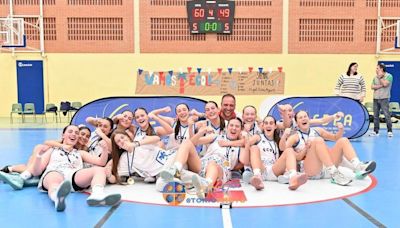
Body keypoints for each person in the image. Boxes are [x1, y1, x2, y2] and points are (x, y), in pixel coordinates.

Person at [1, 125, 121, 211]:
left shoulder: (80, 153)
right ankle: (57, 198)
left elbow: (100, 162)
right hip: (55, 172)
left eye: (76, 132)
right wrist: (38, 157)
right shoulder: (53, 149)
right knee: (53, 178)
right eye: (70, 131)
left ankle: (97, 195)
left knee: (99, 170)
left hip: (73, 176)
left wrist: (105, 149)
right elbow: (37, 170)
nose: (74, 134)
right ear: (63, 135)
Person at [285, 111, 376, 186]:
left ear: (309, 119)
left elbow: (336, 138)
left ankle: (358, 166)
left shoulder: (317, 130)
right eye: (300, 118)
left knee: (343, 140)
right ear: (297, 123)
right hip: (310, 170)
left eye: (305, 116)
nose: (304, 118)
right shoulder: (294, 137)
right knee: (318, 140)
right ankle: (335, 174)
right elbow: (289, 154)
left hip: (325, 168)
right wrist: (305, 148)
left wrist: (341, 130)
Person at [246, 116, 307, 191]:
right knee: (254, 148)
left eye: (271, 123)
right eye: (266, 123)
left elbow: (287, 151)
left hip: (274, 170)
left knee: (289, 150)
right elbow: (246, 144)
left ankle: (293, 178)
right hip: (262, 169)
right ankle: (257, 177)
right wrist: (246, 133)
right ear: (263, 126)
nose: (268, 125)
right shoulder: (258, 137)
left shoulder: (278, 140)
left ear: (275, 126)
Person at [370, 63, 393, 137]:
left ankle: (389, 131)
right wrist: (380, 85)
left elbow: (385, 84)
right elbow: (372, 86)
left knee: (387, 115)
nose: (376, 70)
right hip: (376, 98)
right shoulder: (375, 77)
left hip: (384, 98)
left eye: (377, 68)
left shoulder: (389, 76)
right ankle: (376, 131)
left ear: (381, 69)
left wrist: (380, 78)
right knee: (376, 116)